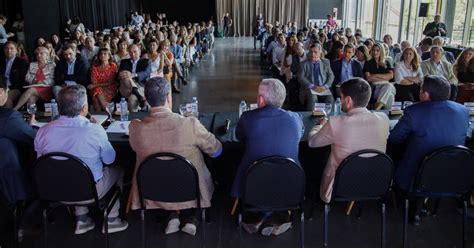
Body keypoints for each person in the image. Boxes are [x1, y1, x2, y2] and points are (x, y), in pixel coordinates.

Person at [128, 77, 222, 236]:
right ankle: (193, 218)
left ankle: (170, 215)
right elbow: (216, 151)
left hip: (152, 188)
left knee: (162, 174)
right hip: (190, 189)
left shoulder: (135, 128)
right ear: (168, 97)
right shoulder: (189, 124)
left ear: (147, 99)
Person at [34, 85, 128, 234]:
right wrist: (99, 131)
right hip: (89, 191)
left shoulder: (43, 131)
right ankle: (112, 218)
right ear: (85, 109)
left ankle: (82, 218)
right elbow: (110, 160)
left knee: (70, 170)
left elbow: (42, 162)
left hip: (53, 189)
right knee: (118, 170)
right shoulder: (94, 130)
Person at [388, 75, 469, 223]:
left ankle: (405, 202)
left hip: (414, 179)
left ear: (425, 94)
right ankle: (419, 206)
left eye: (420, 89)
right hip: (452, 177)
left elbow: (394, 138)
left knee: (395, 153)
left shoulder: (414, 112)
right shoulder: (463, 111)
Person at [232, 78, 303, 236]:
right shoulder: (295, 119)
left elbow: (239, 137)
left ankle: (263, 217)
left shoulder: (248, 118)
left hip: (253, 183)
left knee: (258, 169)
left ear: (261, 99)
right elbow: (300, 133)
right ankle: (276, 217)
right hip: (291, 183)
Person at [308, 77, 389, 203]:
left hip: (339, 187)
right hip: (374, 184)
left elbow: (312, 142)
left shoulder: (336, 122)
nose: (340, 100)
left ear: (348, 100)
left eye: (341, 97)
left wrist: (319, 125)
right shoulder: (384, 119)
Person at [0, 76, 37, 206]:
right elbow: (33, 138)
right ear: (1, 92)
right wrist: (30, 126)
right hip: (9, 188)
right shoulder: (7, 117)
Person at [298, 43, 335, 110]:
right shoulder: (303, 64)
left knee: (330, 98)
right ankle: (310, 117)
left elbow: (331, 75)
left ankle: (329, 117)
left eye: (315, 52)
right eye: (311, 52)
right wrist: (313, 86)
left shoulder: (326, 62)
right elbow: (301, 78)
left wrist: (325, 86)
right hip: (310, 88)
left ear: (320, 52)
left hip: (323, 88)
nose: (313, 54)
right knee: (313, 98)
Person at [118, 44, 151, 112]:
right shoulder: (124, 62)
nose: (132, 54)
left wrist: (134, 75)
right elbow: (118, 76)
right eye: (130, 52)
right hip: (125, 87)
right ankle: (140, 97)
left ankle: (134, 120)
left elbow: (146, 73)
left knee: (132, 99)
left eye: (135, 52)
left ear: (139, 52)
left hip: (140, 86)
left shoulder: (146, 61)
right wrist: (120, 74)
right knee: (126, 76)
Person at [363, 42, 396, 110]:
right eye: (374, 50)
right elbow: (368, 78)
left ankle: (376, 107)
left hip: (386, 85)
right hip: (375, 88)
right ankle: (385, 114)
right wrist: (384, 77)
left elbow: (391, 76)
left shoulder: (387, 62)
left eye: (377, 50)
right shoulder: (368, 62)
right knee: (390, 96)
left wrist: (375, 75)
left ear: (381, 51)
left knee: (388, 86)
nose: (375, 52)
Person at [0, 41, 28, 108]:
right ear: (4, 50)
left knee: (6, 97)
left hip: (15, 88)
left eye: (11, 48)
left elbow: (22, 81)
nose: (9, 50)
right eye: (6, 48)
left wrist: (8, 88)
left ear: (16, 50)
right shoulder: (1, 62)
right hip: (2, 88)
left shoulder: (22, 63)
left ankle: (9, 117)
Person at [89, 48, 118, 112]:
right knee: (97, 91)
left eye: (105, 54)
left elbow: (111, 81)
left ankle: (101, 117)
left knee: (95, 97)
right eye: (101, 54)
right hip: (97, 89)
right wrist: (95, 85)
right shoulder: (95, 67)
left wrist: (95, 85)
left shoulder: (113, 66)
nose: (102, 55)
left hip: (110, 88)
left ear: (109, 56)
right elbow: (93, 81)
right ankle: (108, 113)